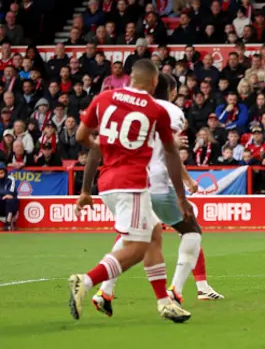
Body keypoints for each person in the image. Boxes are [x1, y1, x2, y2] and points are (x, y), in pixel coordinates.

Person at [90, 73, 223, 316]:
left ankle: (104, 291)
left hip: (135, 182)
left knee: (134, 236)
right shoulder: (171, 112)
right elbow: (169, 151)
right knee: (192, 231)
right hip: (160, 184)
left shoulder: (134, 109)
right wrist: (183, 191)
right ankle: (176, 290)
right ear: (171, 90)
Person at [70, 59, 192, 323]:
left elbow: (81, 138)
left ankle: (164, 302)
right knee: (137, 247)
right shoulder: (155, 109)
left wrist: (89, 180)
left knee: (155, 234)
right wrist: (182, 198)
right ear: (155, 82)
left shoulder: (105, 97)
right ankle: (87, 281)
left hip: (108, 182)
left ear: (129, 78)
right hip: (132, 183)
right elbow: (172, 154)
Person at [0, 162, 18, 231]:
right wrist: (4, 195)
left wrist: (8, 195)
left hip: (11, 204)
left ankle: (8, 223)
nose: (0, 174)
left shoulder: (11, 179)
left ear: (5, 171)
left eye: (1, 172)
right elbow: (7, 193)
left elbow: (12, 192)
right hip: (1, 201)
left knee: (10, 200)